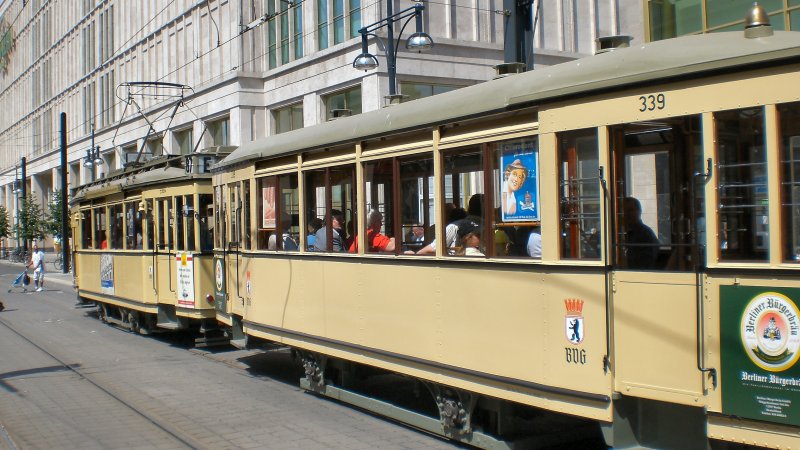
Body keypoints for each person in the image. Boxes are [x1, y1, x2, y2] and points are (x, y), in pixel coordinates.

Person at [622, 197, 659, 269]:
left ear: (639, 211)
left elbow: (645, 265)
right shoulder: (623, 233)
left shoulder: (646, 234)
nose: (627, 214)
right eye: (624, 211)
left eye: (630, 210)